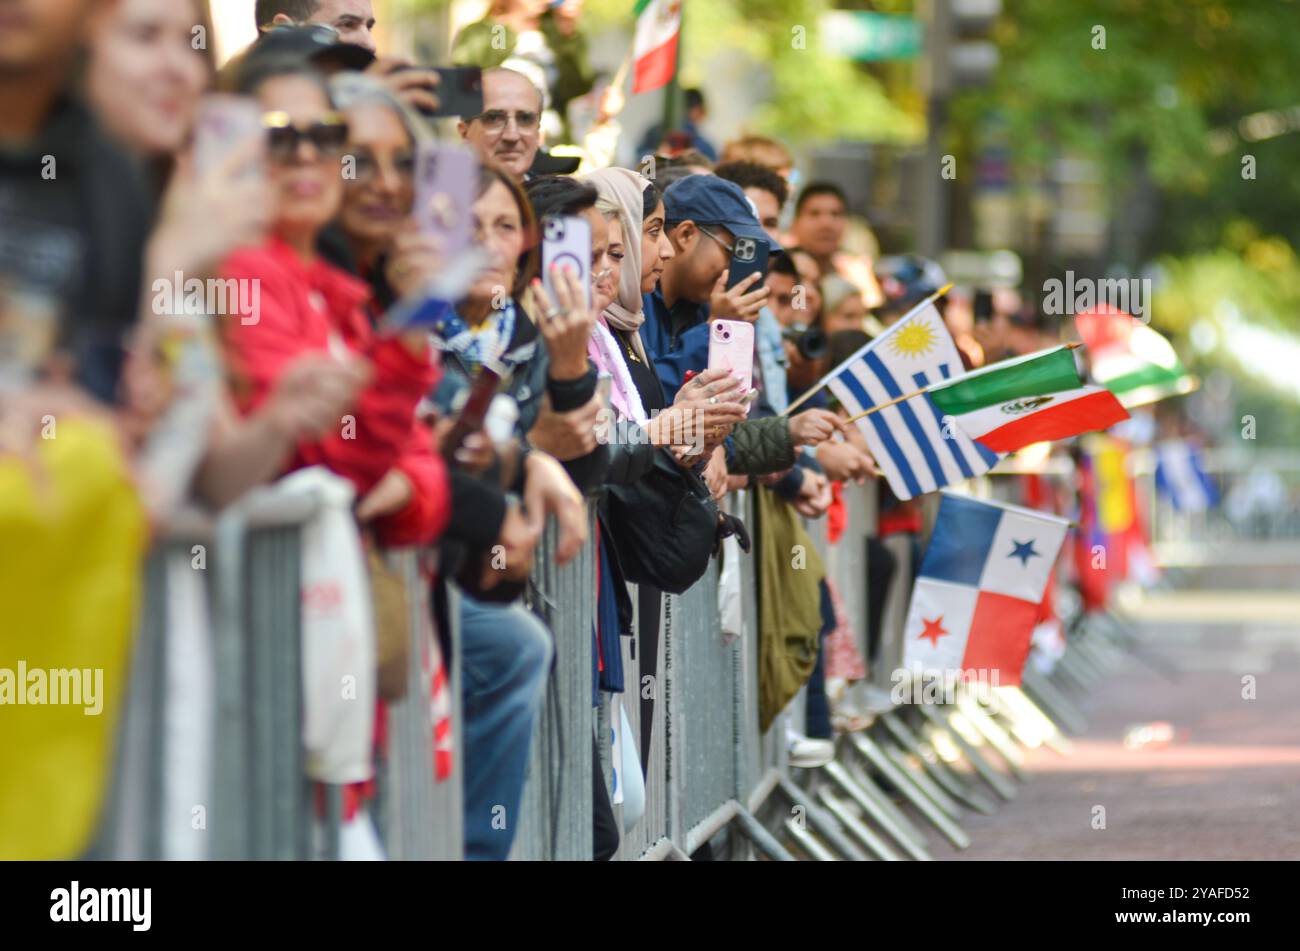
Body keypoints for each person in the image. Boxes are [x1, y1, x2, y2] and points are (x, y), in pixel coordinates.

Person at [451, 0, 594, 144]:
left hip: (550, 137)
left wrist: (567, 34)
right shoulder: (495, 29)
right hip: (501, 138)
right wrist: (507, 24)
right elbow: (481, 67)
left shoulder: (553, 31)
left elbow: (576, 87)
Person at [458, 67, 544, 182]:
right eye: (493, 118)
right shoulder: (437, 198)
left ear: (537, 134)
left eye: (525, 119)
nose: (512, 136)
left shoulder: (562, 198)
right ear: (464, 132)